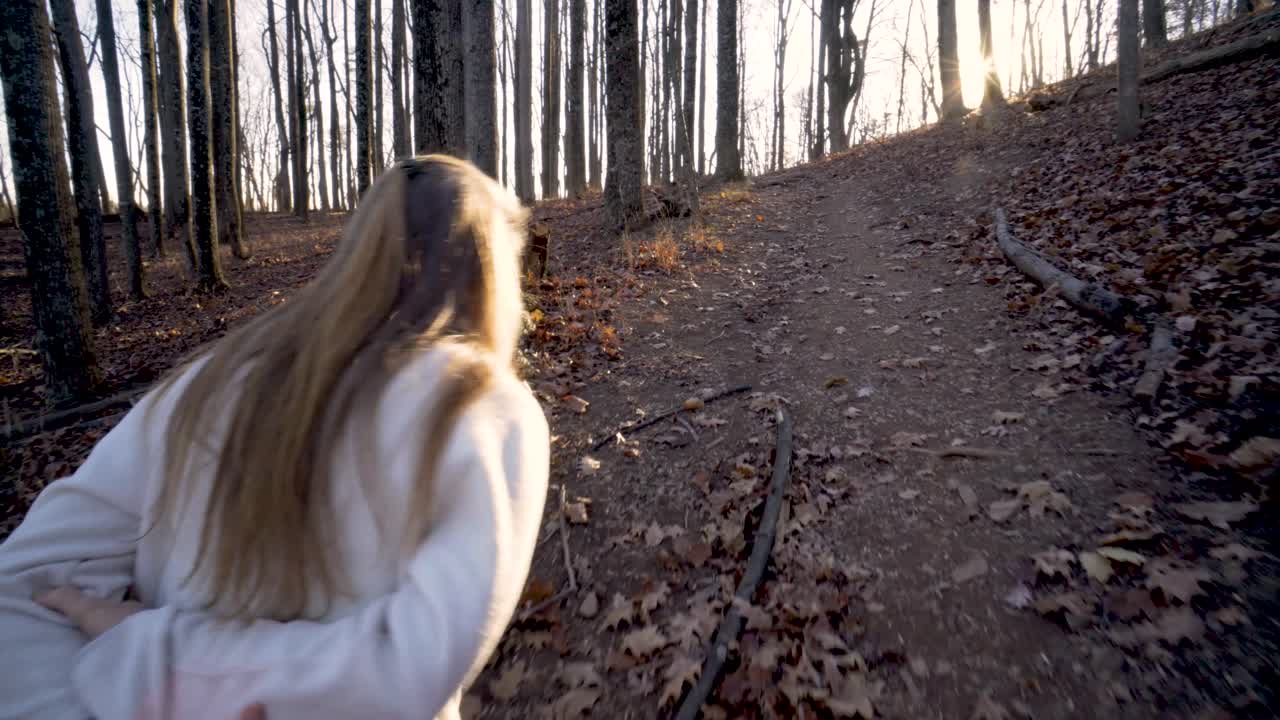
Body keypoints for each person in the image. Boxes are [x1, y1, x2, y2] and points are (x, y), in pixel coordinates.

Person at [0, 156, 550, 720]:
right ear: (495, 277)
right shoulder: (489, 411)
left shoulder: (205, 381)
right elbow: (411, 669)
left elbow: (26, 590)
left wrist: (141, 662)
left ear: (359, 250)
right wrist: (156, 659)